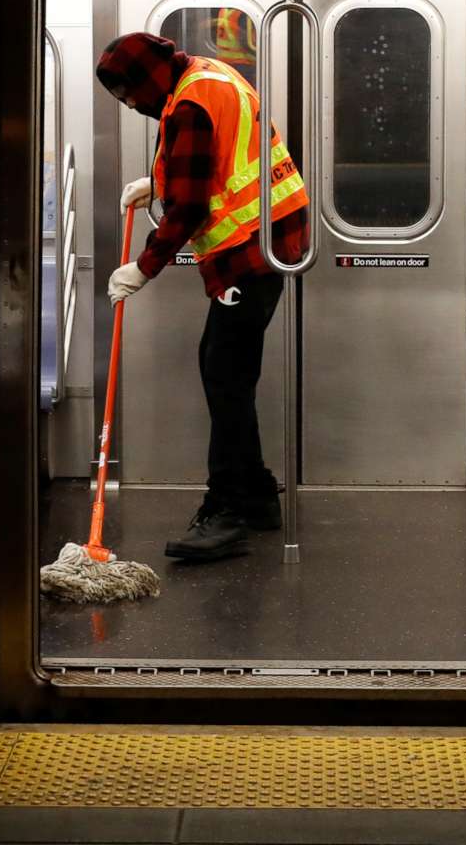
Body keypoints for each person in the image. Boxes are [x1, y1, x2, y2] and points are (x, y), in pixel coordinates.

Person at [95, 30, 310, 562]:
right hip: (270, 237)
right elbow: (218, 159)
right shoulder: (208, 75)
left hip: (250, 249)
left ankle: (228, 508)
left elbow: (191, 209)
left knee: (225, 376)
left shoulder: (188, 104)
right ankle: (256, 495)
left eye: (127, 93)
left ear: (146, 78)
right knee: (227, 373)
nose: (130, 104)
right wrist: (157, 185)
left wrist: (143, 267)